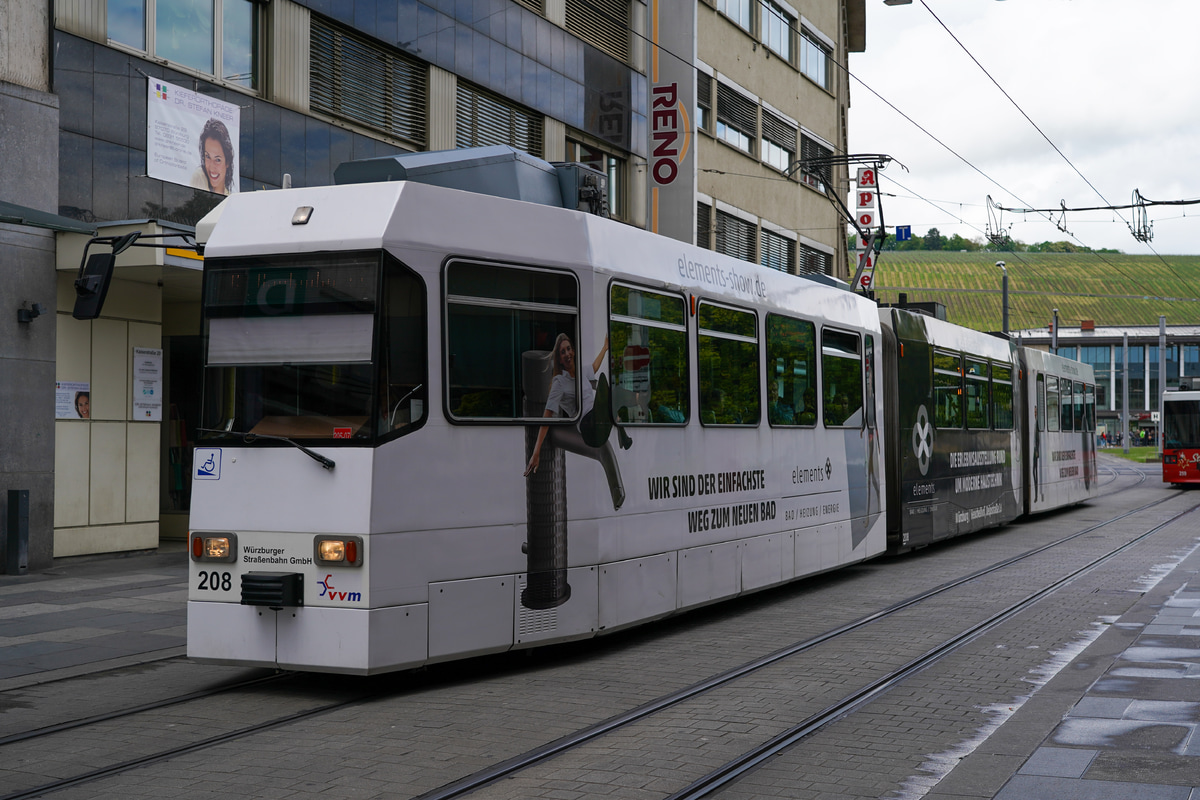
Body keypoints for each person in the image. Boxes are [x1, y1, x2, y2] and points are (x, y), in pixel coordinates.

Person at [525, 334, 627, 510]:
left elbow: (594, 367)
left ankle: (619, 428)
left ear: (573, 350)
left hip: (598, 421)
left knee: (611, 388)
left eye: (568, 349)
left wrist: (605, 348)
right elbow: (547, 415)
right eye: (562, 352)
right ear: (559, 359)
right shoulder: (559, 382)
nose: (567, 354)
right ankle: (618, 426)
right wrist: (536, 450)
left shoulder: (581, 372)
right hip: (588, 427)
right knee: (604, 384)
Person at [190, 118, 236, 195]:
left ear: (227, 162)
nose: (211, 167)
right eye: (207, 156)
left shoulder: (230, 198)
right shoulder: (199, 176)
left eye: (218, 160)